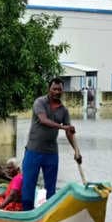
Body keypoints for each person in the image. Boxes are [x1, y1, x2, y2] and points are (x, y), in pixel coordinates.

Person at [21, 78, 82, 211]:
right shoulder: (40, 102)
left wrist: (76, 151)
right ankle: (26, 212)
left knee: (51, 188)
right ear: (49, 89)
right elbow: (43, 120)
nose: (57, 92)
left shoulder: (64, 110)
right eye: (54, 89)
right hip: (33, 151)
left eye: (60, 89)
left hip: (51, 153)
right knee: (28, 184)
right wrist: (63, 127)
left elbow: (69, 132)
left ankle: (49, 214)